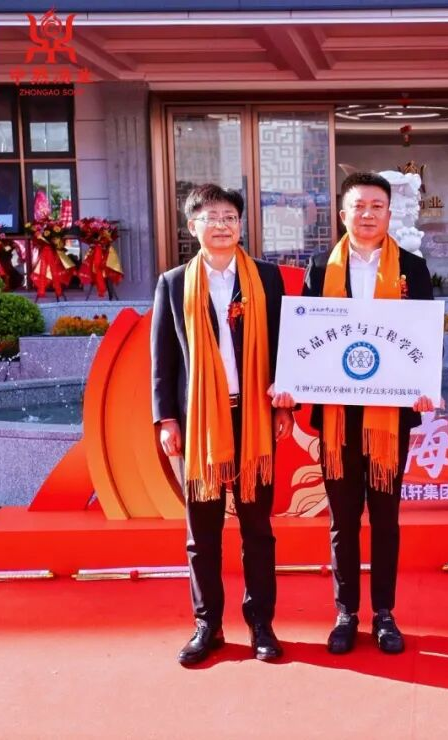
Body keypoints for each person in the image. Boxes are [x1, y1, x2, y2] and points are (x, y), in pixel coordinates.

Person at [151, 184, 294, 666]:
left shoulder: (266, 278)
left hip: (252, 417)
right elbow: (163, 360)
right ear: (192, 226)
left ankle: (261, 623)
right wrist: (166, 419)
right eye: (211, 217)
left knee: (257, 529)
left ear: (241, 225)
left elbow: (284, 346)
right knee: (203, 532)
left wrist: (284, 407)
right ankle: (207, 624)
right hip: (199, 424)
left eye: (230, 216)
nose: (222, 225)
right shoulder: (173, 283)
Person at [302, 171, 435, 655]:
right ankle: (346, 613)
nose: (367, 214)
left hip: (388, 416)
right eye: (358, 206)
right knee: (342, 521)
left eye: (377, 206)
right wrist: (293, 381)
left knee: (384, 518)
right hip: (338, 415)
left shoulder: (412, 269)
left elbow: (421, 337)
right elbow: (305, 339)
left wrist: (423, 386)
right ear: (343, 214)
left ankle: (384, 614)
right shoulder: (320, 268)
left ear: (389, 214)